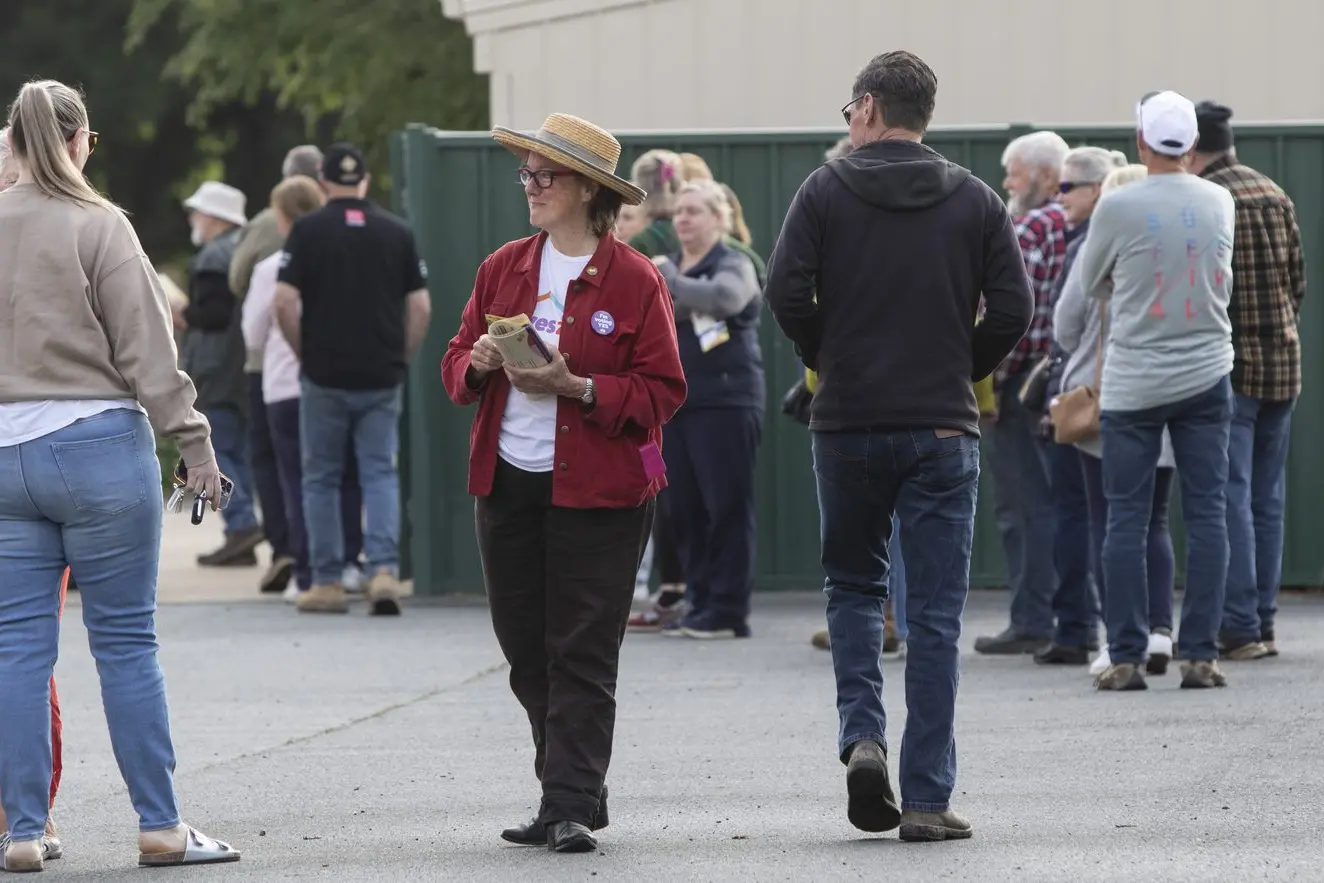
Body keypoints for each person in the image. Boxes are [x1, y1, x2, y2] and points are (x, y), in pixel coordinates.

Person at [765, 51, 1032, 842]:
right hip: (943, 428)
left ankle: (863, 738)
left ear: (871, 107)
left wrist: (832, 358)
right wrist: (960, 365)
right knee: (937, 614)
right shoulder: (977, 199)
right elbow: (1013, 308)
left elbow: (785, 293)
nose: (846, 120)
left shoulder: (823, 190)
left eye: (849, 107)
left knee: (853, 588)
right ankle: (925, 796)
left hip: (846, 423)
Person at [0, 78, 238, 872]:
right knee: (127, 643)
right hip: (99, 445)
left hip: (4, 455)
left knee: (18, 650)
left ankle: (24, 829)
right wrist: (194, 448)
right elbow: (149, 352)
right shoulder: (101, 226)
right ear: (77, 141)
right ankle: (160, 825)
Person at [441, 113, 686, 853]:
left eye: (545, 176)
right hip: (508, 482)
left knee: (582, 648)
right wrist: (481, 361)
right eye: (528, 175)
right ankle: (569, 786)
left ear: (586, 190)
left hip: (603, 491)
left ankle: (570, 801)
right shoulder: (503, 266)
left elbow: (662, 391)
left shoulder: (636, 278)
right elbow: (454, 366)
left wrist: (576, 386)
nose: (532, 187)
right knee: (525, 646)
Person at [1074, 90, 1236, 691]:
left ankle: (1125, 655)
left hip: (1135, 380)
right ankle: (1200, 653)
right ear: (1193, 145)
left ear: (1141, 142)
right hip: (1206, 372)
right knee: (1207, 513)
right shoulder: (1220, 199)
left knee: (1126, 518)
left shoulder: (1119, 207)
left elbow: (1092, 281)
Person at [274, 143, 433, 616]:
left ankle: (326, 582)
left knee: (320, 476)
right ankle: (382, 571)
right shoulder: (397, 231)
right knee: (379, 470)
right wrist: (400, 355)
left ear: (324, 181)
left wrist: (305, 351)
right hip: (380, 373)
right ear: (364, 182)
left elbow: (283, 301)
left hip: (324, 372)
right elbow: (421, 306)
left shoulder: (306, 230)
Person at [1051, 163, 1180, 679]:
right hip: (1176, 394)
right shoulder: (1173, 245)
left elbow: (1064, 326)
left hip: (1109, 401)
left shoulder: (1098, 246)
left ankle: (1118, 637)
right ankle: (1161, 631)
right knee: (1156, 520)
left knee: (1111, 523)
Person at [1191, 101, 1307, 660]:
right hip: (1284, 362)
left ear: (1192, 147)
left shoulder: (1211, 201)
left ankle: (1238, 625)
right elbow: (1297, 282)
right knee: (1268, 498)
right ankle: (1262, 619)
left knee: (1230, 494)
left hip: (1232, 368)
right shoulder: (1273, 191)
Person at [241, 176, 366, 603]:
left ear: (284, 218)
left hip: (284, 386)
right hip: (342, 379)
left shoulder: (269, 269)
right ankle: (349, 560)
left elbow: (253, 334)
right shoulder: (349, 258)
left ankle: (309, 569)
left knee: (298, 480)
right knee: (345, 475)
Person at [653, 180, 764, 638]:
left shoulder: (733, 263)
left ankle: (728, 610)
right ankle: (698, 602)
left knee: (726, 508)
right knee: (684, 508)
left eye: (695, 211)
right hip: (676, 406)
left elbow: (725, 299)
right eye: (679, 211)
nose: (683, 219)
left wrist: (672, 283)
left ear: (718, 218)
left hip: (725, 402)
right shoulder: (673, 264)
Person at [975, 130, 1069, 656]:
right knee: (1064, 503)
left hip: (1023, 388)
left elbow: (1010, 313)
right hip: (1066, 385)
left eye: (1014, 171)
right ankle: (1070, 614)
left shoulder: (1028, 227)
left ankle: (1034, 618)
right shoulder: (1074, 221)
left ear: (1046, 175)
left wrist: (989, 384)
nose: (1006, 181)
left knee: (1023, 508)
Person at [0, 126, 66, 861]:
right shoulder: (79, 233)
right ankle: (30, 816)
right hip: (47, 450)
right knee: (25, 648)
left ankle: (25, 813)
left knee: (20, 645)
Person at [228, 144, 325, 595]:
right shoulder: (339, 230)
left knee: (275, 462)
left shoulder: (267, 236)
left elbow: (238, 279)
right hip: (332, 370)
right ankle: (338, 559)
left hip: (272, 367)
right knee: (333, 470)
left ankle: (289, 550)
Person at [179, 180, 265, 567]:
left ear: (214, 218)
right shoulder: (243, 249)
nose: (193, 219)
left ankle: (242, 522)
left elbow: (214, 316)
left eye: (197, 212)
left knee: (218, 449)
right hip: (241, 366)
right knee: (239, 450)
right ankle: (239, 534)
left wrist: (181, 313)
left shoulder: (214, 257)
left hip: (215, 368)